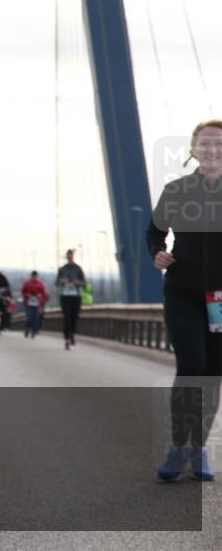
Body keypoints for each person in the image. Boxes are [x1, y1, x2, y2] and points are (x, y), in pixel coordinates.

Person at [148, 119, 222, 482]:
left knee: (212, 375)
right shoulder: (177, 191)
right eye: (205, 144)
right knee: (192, 367)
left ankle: (199, 449)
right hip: (183, 295)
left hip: (221, 300)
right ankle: (178, 448)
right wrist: (157, 253)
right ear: (193, 149)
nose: (212, 151)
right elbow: (154, 233)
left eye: (219, 145)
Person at [56, 249, 86, 350]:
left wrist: (78, 283)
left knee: (74, 317)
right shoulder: (62, 269)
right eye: (68, 256)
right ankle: (67, 338)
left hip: (76, 296)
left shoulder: (78, 269)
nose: (70, 258)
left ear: (73, 257)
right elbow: (57, 282)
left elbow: (84, 282)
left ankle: (72, 333)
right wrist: (62, 281)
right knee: (66, 317)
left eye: (71, 256)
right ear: (66, 257)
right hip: (65, 296)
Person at [21, 271, 48, 339]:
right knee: (30, 317)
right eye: (33, 276)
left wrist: (40, 297)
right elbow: (23, 292)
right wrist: (27, 295)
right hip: (28, 303)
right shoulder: (27, 283)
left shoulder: (41, 284)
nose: (34, 278)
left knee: (36, 318)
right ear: (31, 276)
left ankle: (33, 331)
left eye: (35, 276)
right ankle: (27, 328)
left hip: (37, 304)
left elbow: (44, 295)